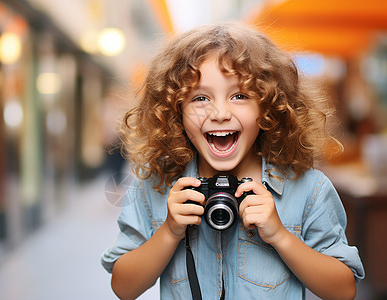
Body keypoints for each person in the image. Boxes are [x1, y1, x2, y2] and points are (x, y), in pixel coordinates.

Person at [101, 22, 364, 300]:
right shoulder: (156, 187)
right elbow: (123, 287)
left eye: (240, 95)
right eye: (200, 98)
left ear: (267, 107)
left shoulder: (308, 190)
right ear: (176, 112)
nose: (220, 113)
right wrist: (169, 231)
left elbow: (343, 291)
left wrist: (279, 235)